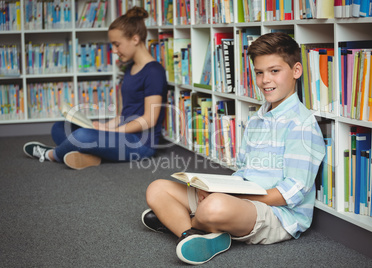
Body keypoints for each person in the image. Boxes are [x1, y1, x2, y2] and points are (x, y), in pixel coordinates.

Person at [142, 32, 326, 265]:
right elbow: (242, 170)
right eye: (259, 73)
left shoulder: (302, 125)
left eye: (274, 71)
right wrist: (215, 187)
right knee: (157, 188)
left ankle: (180, 222)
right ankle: (191, 234)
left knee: (214, 207)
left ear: (296, 71)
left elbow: (288, 194)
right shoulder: (257, 119)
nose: (265, 80)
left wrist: (229, 196)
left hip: (277, 215)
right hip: (240, 199)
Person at [23, 6, 167, 170]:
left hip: (141, 144)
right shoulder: (130, 68)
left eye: (116, 44)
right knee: (60, 127)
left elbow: (149, 119)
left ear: (135, 39)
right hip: (122, 135)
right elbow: (126, 114)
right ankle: (91, 156)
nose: (114, 51)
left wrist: (115, 132)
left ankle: (52, 155)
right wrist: (106, 127)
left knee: (82, 136)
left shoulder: (154, 71)